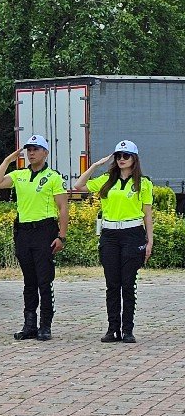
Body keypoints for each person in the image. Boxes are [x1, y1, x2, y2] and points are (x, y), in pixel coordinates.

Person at [0, 134, 69, 341]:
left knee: (44, 281)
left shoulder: (53, 177)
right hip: (24, 232)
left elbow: (63, 208)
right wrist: (8, 160)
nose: (31, 153)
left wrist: (62, 236)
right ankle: (29, 325)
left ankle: (45, 325)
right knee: (29, 282)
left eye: (36, 149)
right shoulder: (19, 175)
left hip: (45, 230)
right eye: (29, 150)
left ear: (45, 153)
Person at [74, 140, 153, 344]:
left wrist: (149, 241)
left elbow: (147, 214)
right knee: (112, 285)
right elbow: (78, 185)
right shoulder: (107, 180)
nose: (121, 159)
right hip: (110, 235)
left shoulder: (143, 183)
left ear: (134, 159)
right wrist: (94, 166)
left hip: (132, 234)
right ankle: (112, 329)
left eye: (126, 156)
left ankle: (127, 330)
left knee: (128, 284)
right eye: (118, 156)